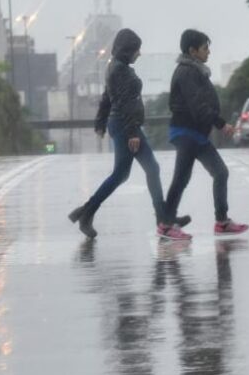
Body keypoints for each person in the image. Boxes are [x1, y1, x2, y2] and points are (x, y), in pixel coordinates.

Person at [69, 28, 190, 239]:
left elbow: (108, 98)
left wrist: (100, 122)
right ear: (127, 49)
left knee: (133, 172)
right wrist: (133, 132)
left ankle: (88, 212)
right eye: (137, 49)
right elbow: (125, 103)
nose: (139, 53)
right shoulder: (120, 70)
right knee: (135, 172)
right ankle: (162, 219)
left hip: (121, 124)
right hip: (126, 127)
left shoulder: (114, 67)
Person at [159, 29, 249, 240]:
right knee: (181, 178)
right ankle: (165, 224)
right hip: (186, 132)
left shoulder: (196, 70)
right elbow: (198, 105)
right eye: (205, 48)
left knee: (220, 172)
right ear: (192, 50)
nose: (209, 52)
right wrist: (221, 124)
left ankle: (222, 221)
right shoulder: (187, 72)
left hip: (197, 134)